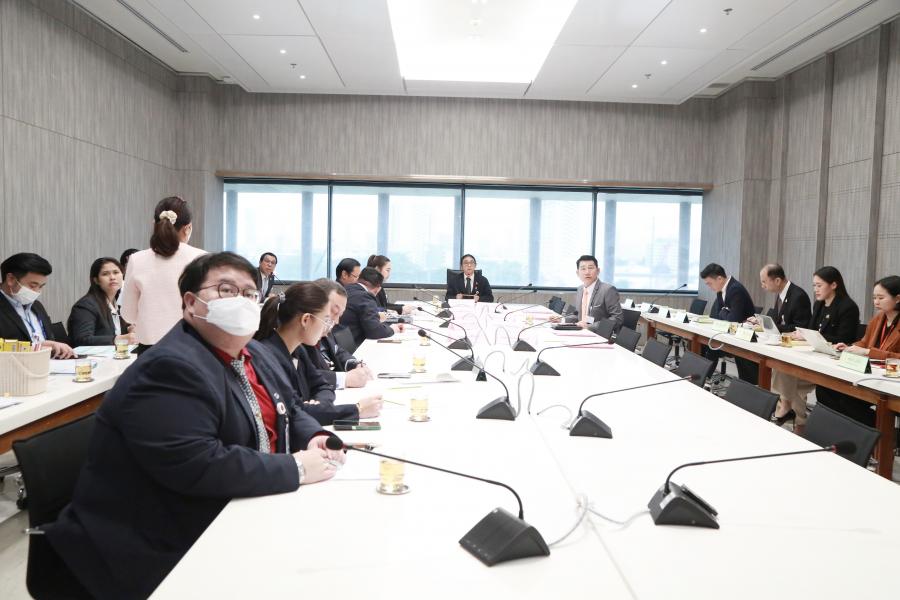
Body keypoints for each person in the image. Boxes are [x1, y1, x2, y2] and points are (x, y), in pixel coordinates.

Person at [44, 252, 344, 600]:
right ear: (191, 303)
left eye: (249, 294)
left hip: (238, 507)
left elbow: (289, 407)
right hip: (155, 542)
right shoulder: (170, 367)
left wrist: (315, 436)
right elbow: (198, 463)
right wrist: (295, 468)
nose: (241, 301)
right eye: (226, 290)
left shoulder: (254, 352)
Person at [255, 282, 383, 425]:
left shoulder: (298, 350)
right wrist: (357, 410)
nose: (329, 326)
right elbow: (294, 412)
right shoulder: (267, 357)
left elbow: (323, 386)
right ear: (305, 320)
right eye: (326, 319)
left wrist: (319, 406)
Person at [771, 266, 860, 432]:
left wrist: (811, 337)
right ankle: (797, 420)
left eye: (819, 285)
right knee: (781, 368)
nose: (815, 290)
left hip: (834, 360)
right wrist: (801, 334)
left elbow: (845, 340)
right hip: (816, 356)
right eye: (814, 286)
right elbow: (811, 330)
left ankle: (790, 412)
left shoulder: (848, 307)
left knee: (789, 380)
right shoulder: (819, 304)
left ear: (833, 285)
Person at [120, 196, 206, 351]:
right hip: (192, 347)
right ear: (188, 228)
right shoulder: (202, 258)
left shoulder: (136, 259)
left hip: (150, 350)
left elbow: (128, 314)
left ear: (154, 225)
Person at [813, 275, 900, 427]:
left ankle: (881, 433)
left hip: (889, 381)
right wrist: (849, 347)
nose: (876, 302)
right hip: (868, 374)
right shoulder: (878, 319)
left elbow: (877, 352)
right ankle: (854, 431)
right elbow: (864, 342)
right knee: (824, 389)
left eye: (881, 298)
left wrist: (867, 352)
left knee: (846, 401)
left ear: (897, 298)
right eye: (874, 298)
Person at [0, 253, 75, 358]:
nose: (37, 292)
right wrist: (34, 348)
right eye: (32, 286)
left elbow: (49, 339)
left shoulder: (37, 306)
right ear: (11, 279)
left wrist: (52, 346)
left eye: (41, 286)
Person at [306, 279, 374, 389]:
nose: (336, 321)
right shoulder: (300, 337)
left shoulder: (325, 330)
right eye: (334, 312)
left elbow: (337, 351)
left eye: (340, 315)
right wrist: (344, 379)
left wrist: (353, 364)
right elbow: (303, 376)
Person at [67, 257, 136, 347]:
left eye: (116, 272)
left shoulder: (118, 303)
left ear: (122, 275)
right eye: (105, 274)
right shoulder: (86, 305)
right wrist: (119, 339)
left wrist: (130, 329)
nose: (112, 277)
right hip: (90, 355)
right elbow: (82, 339)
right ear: (96, 280)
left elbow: (117, 331)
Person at [340, 267, 403, 347]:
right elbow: (374, 331)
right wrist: (393, 329)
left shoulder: (346, 288)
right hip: (355, 345)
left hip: (340, 343)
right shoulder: (365, 296)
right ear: (378, 289)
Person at [565, 255, 623, 331]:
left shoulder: (607, 290)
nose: (587, 272)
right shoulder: (580, 289)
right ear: (577, 273)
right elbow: (578, 315)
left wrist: (590, 327)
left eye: (590, 268)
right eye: (583, 269)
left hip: (598, 334)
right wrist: (561, 320)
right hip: (580, 331)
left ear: (598, 271)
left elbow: (617, 318)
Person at [758, 263, 811, 332]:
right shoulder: (781, 292)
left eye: (764, 282)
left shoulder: (799, 297)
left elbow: (801, 328)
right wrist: (760, 322)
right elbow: (777, 320)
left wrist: (772, 327)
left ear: (777, 281)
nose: (762, 286)